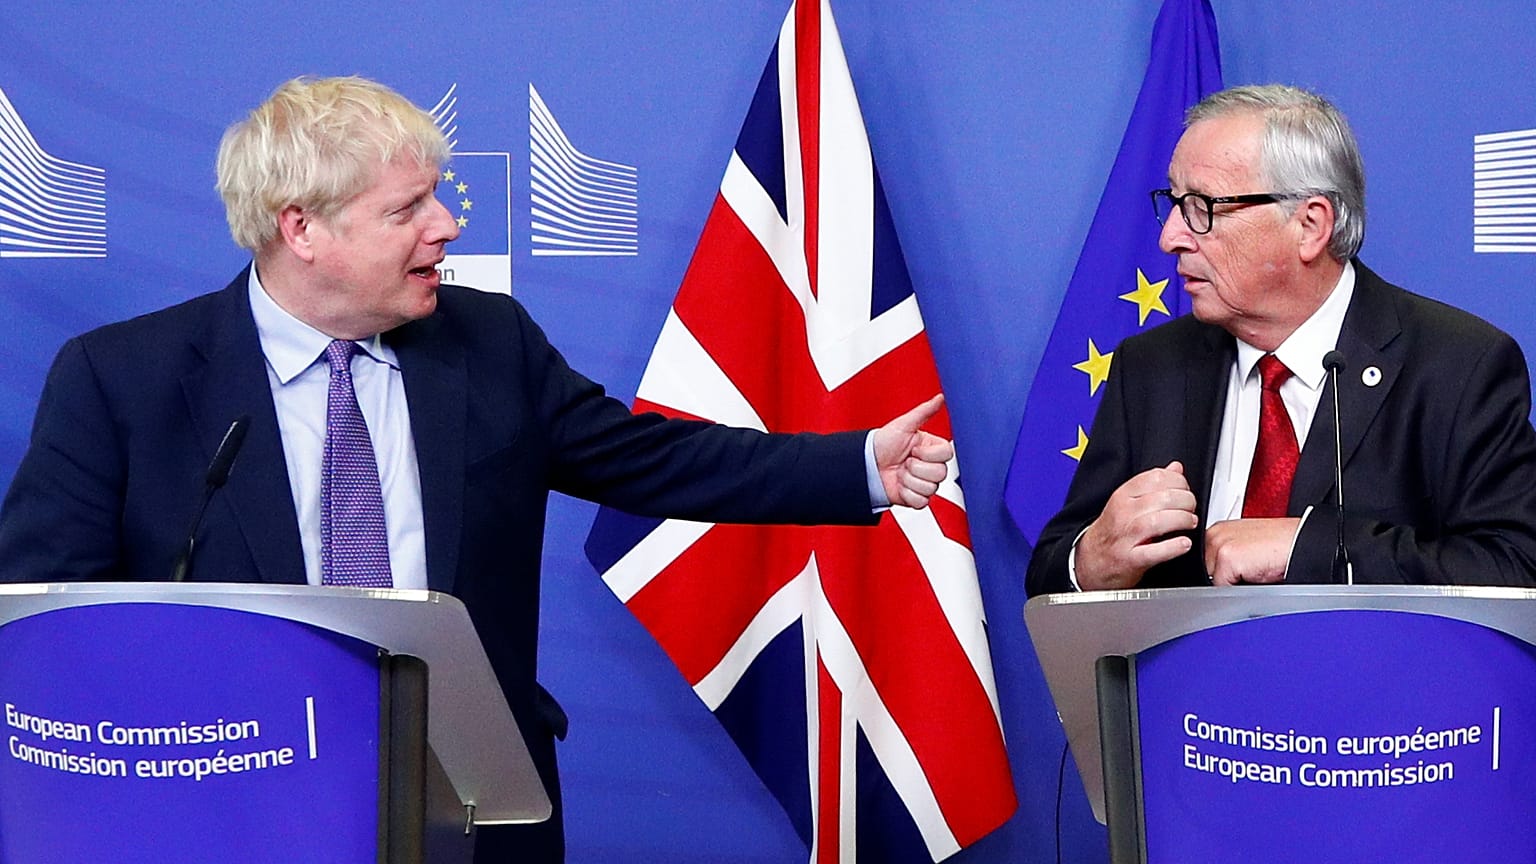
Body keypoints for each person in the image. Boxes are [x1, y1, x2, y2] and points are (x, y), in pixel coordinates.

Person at [0, 76, 956, 863]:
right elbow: (43, 613)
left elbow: (651, 460)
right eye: (407, 208)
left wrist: (858, 465)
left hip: (466, 798)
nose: (447, 225)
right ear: (301, 230)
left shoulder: (486, 343)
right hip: (229, 803)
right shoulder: (124, 379)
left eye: (439, 195)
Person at [1026, 83, 1536, 595]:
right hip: (1190, 675)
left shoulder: (1456, 365)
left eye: (1203, 206)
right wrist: (1092, 560)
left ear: (1310, 225)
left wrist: (1305, 550)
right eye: (1175, 203)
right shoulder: (1152, 367)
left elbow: (1515, 568)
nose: (1171, 237)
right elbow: (1052, 570)